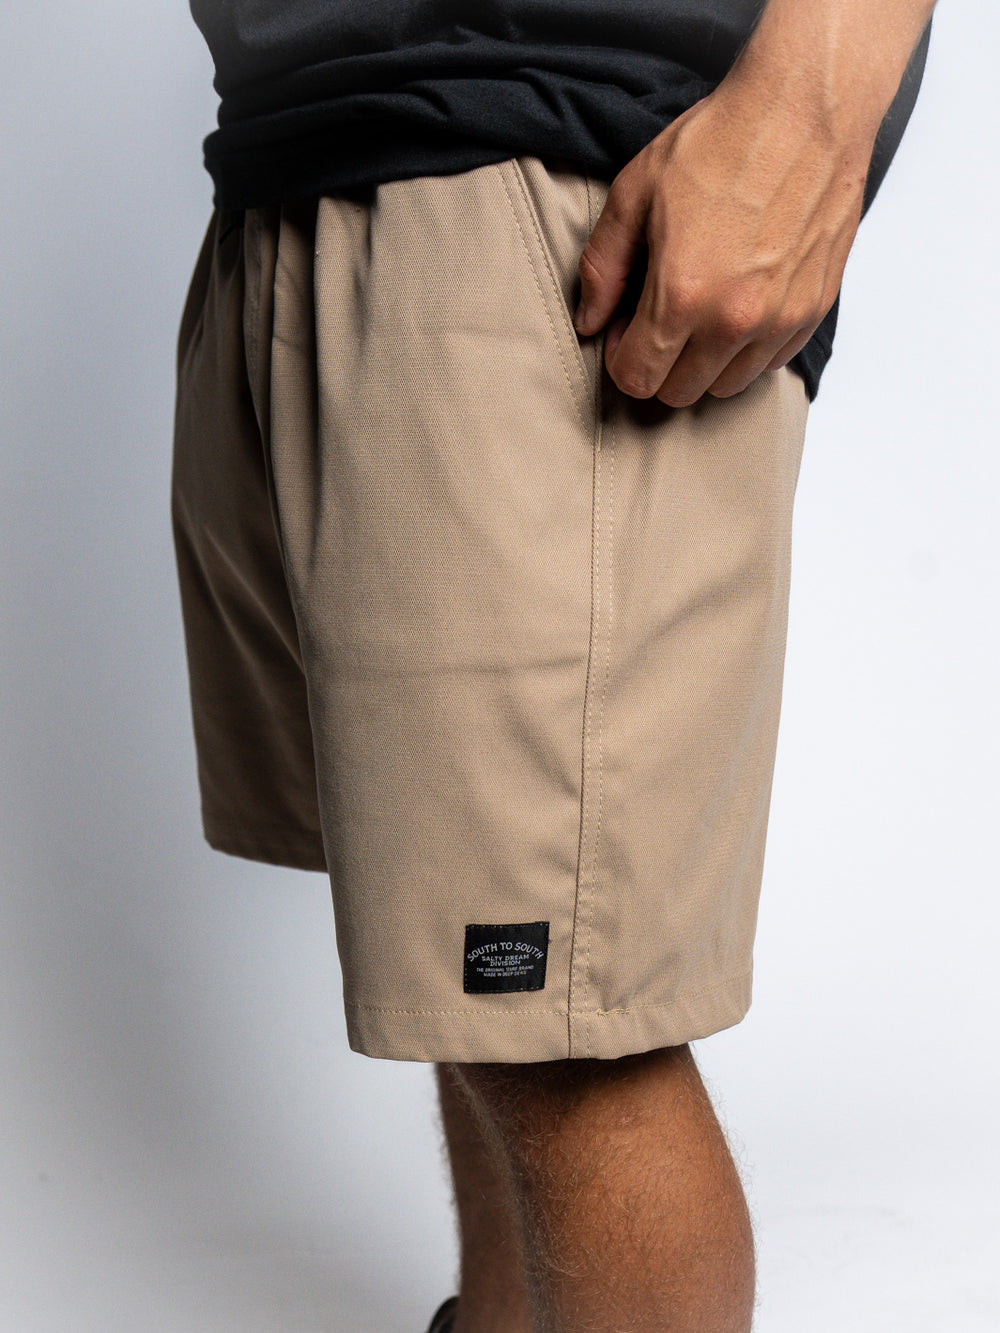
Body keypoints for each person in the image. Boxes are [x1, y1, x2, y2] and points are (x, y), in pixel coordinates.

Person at [171, 1, 937, 1329]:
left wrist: (811, 104)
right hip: (303, 154)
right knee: (472, 983)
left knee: (572, 1040)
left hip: (547, 167)